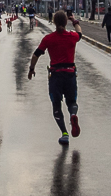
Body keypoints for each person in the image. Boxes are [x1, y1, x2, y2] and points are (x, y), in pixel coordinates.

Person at [29, 10, 83, 146]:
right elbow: (80, 33)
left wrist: (31, 69)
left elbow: (35, 55)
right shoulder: (72, 36)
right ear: (65, 22)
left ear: (53, 22)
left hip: (56, 75)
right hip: (70, 73)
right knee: (71, 102)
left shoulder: (48, 39)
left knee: (56, 105)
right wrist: (74, 20)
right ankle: (73, 115)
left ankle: (64, 133)